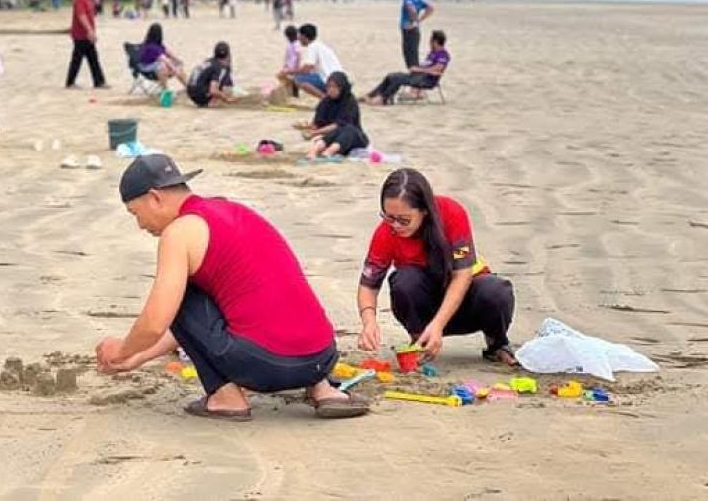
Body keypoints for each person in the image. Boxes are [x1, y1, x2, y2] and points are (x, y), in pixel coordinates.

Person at [94, 154, 369, 421]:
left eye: (136, 213)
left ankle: (225, 397)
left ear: (155, 197)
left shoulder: (179, 232)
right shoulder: (233, 210)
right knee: (264, 290)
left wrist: (122, 351)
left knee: (179, 293)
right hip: (321, 356)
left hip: (267, 366)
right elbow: (198, 328)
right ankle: (324, 390)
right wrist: (138, 357)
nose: (140, 224)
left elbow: (158, 321)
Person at [357, 168, 517, 366]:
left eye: (404, 220)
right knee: (404, 280)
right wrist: (369, 322)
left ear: (424, 210)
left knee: (496, 290)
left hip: (465, 302)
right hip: (424, 308)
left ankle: (497, 343)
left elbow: (462, 275)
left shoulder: (451, 213)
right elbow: (368, 284)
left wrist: (439, 325)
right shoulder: (386, 233)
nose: (396, 226)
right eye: (389, 217)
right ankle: (420, 341)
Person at [365, 30, 450, 105]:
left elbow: (438, 68)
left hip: (427, 80)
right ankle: (371, 95)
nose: (429, 44)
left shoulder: (443, 54)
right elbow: (426, 65)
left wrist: (419, 69)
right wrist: (416, 69)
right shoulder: (432, 53)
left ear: (435, 42)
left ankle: (383, 99)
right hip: (418, 76)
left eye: (430, 41)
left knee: (398, 79)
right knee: (391, 76)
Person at [301, 72, 369, 159]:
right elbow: (317, 122)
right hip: (330, 136)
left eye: (335, 87)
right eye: (329, 86)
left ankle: (329, 152)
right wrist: (308, 128)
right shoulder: (325, 102)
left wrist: (315, 132)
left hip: (352, 138)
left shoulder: (349, 101)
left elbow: (340, 124)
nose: (331, 90)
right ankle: (314, 151)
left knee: (347, 128)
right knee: (333, 133)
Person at [279, 23, 344, 99]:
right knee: (303, 77)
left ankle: (326, 99)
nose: (298, 38)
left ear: (304, 36)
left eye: (299, 36)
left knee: (298, 79)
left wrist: (288, 71)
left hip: (331, 81)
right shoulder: (320, 45)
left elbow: (306, 68)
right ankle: (330, 96)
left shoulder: (313, 47)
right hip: (340, 80)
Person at [65, 0, 108, 89]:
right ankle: (70, 82)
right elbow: (81, 16)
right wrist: (89, 31)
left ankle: (99, 81)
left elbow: (92, 15)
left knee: (93, 58)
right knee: (77, 59)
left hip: (87, 34)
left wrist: (98, 2)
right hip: (81, 34)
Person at [399, 0, 434, 69]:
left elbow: (412, 10)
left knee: (412, 63)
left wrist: (415, 20)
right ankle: (416, 81)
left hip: (409, 32)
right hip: (413, 32)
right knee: (413, 61)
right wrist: (419, 20)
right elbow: (430, 8)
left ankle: (416, 82)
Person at [187, 42, 237, 107]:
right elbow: (213, 90)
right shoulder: (221, 68)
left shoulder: (209, 61)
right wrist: (226, 98)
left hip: (190, 91)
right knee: (221, 90)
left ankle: (207, 101)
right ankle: (210, 103)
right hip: (200, 95)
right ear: (228, 55)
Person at [275, 25, 301, 98]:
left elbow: (298, 55)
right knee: (282, 77)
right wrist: (285, 65)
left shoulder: (296, 44)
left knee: (282, 76)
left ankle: (294, 94)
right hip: (289, 65)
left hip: (293, 66)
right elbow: (288, 56)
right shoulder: (290, 44)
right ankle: (290, 92)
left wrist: (296, 66)